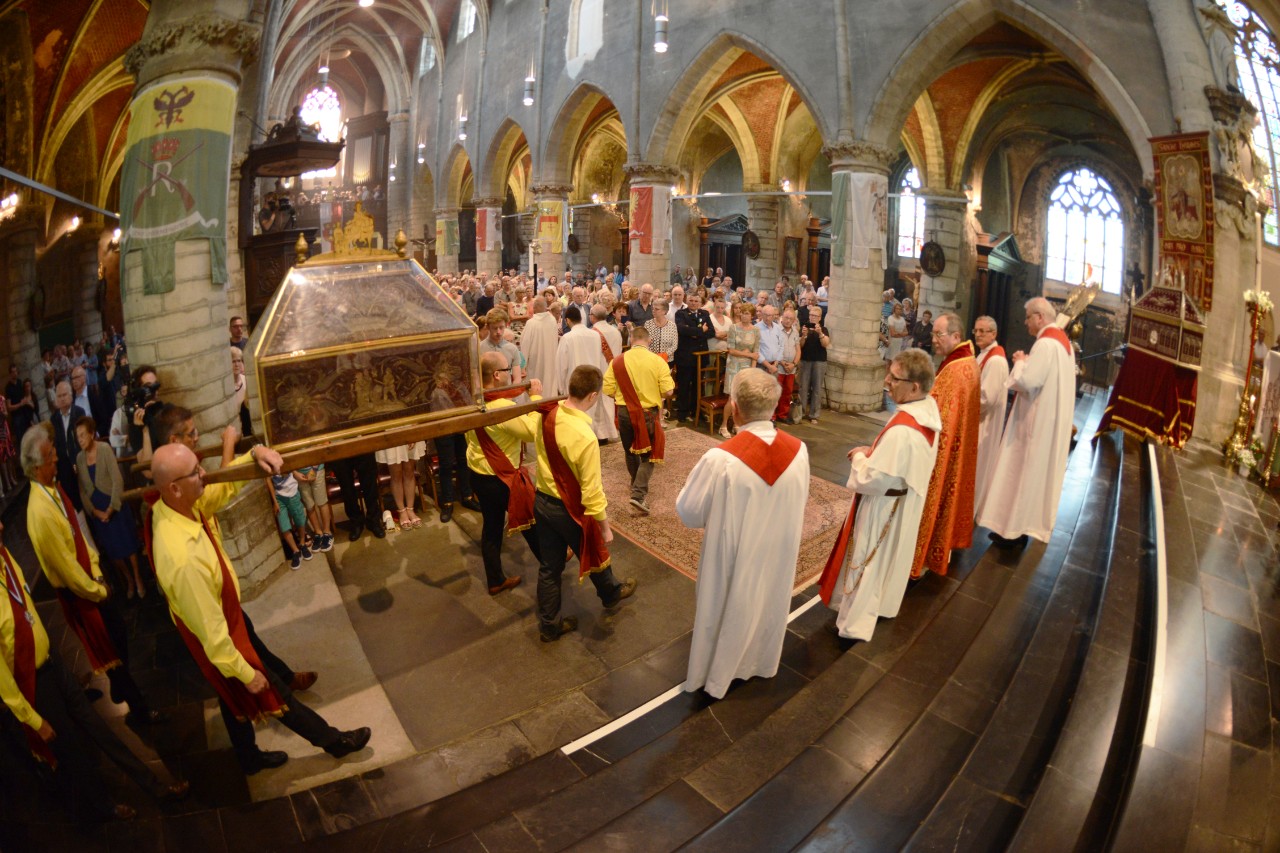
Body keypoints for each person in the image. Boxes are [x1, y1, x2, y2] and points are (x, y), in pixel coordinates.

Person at [150, 441, 370, 775]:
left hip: (224, 611)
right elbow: (212, 634)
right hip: (220, 630)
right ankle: (334, 742)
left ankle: (248, 757)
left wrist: (253, 454)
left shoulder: (177, 506)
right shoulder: (181, 558)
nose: (204, 474)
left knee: (231, 697)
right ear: (175, 488)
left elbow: (219, 489)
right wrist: (244, 672)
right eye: (196, 472)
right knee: (270, 692)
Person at [0, 519, 188, 821]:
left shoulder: (6, 560)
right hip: (33, 682)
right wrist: (33, 720)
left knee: (99, 728)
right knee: (73, 750)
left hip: (53, 663)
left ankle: (155, 787)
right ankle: (102, 806)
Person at [676, 369, 809, 698]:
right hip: (777, 551)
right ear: (775, 405)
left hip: (733, 556)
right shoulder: (799, 450)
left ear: (733, 408)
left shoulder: (720, 459)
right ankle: (761, 662)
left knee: (725, 608)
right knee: (768, 603)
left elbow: (688, 512)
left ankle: (717, 676)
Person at [21, 426, 164, 724]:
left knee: (118, 640)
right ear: (36, 466)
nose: (57, 458)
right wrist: (97, 591)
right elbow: (66, 568)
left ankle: (121, 688)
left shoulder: (53, 488)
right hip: (82, 594)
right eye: (50, 456)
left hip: (91, 581)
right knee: (112, 653)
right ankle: (139, 711)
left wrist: (97, 570)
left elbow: (76, 535)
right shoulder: (39, 512)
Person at [817, 349, 940, 642]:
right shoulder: (926, 411)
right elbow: (897, 460)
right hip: (902, 502)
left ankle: (852, 627)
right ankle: (880, 608)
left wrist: (861, 458)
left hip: (884, 506)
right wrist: (874, 453)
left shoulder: (904, 428)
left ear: (915, 387)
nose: (887, 381)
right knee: (887, 563)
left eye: (895, 378)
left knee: (867, 562)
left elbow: (871, 479)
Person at [532, 365, 637, 641]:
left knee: (549, 567)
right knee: (594, 549)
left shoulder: (548, 414)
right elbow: (591, 491)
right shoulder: (585, 436)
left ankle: (549, 625)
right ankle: (611, 593)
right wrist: (605, 527)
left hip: (542, 500)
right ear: (592, 396)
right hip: (568, 509)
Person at [975, 297, 1076, 545]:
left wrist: (1020, 363)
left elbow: (1027, 382)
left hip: (1033, 424)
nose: (1026, 323)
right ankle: (1015, 529)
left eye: (1029, 317)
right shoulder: (1063, 343)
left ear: (1040, 317)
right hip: (1048, 421)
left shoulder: (1046, 343)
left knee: (1019, 473)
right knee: (1030, 477)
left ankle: (1012, 532)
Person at [466, 351, 544, 595]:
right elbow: (533, 431)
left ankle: (495, 579)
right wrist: (536, 397)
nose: (513, 375)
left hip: (478, 472)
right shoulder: (501, 407)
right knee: (531, 519)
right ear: (497, 375)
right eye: (509, 370)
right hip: (501, 476)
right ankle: (553, 562)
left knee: (491, 527)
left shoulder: (473, 400)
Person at [910, 312, 980, 579]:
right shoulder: (967, 361)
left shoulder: (955, 370)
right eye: (933, 334)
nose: (934, 340)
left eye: (939, 334)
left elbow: (937, 416)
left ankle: (921, 556)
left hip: (943, 453)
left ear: (956, 336)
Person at [602, 324, 675, 515]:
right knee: (649, 455)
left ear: (631, 340)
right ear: (649, 340)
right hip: (648, 414)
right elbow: (668, 391)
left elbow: (608, 390)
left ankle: (635, 482)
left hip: (625, 413)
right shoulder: (658, 361)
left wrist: (626, 398)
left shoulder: (617, 362)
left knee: (629, 451)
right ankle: (638, 494)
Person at [74, 417, 146, 599]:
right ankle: (128, 579)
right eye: (78, 437)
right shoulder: (79, 458)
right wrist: (95, 512)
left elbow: (117, 480)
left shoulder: (104, 449)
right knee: (114, 550)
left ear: (91, 434)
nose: (80, 439)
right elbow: (82, 490)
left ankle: (138, 578)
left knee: (128, 545)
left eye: (83, 435)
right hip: (98, 512)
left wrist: (112, 508)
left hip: (115, 506)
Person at [556, 305, 620, 442]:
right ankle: (593, 438)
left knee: (576, 416)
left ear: (567, 320)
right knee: (591, 412)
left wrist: (561, 389)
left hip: (574, 381)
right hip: (592, 379)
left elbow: (561, 366)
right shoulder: (595, 335)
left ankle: (579, 442)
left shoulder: (567, 338)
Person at [973, 316, 1010, 512]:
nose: (978, 334)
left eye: (983, 331)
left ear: (994, 334)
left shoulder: (995, 360)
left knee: (978, 470)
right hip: (977, 422)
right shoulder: (983, 355)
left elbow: (986, 398)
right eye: (976, 331)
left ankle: (972, 512)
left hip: (983, 424)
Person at [723, 304, 761, 437]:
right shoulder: (733, 328)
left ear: (752, 315)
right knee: (732, 397)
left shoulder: (756, 330)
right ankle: (723, 426)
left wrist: (753, 370)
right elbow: (731, 350)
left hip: (747, 367)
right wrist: (748, 355)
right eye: (743, 313)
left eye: (747, 313)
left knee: (742, 399)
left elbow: (756, 352)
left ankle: (737, 424)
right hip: (734, 366)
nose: (744, 315)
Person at [674, 292, 713, 422]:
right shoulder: (681, 314)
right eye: (691, 300)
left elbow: (711, 331)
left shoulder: (705, 314)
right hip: (685, 356)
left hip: (700, 356)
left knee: (698, 386)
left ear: (701, 303)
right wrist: (701, 331)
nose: (693, 303)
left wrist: (694, 333)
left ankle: (696, 411)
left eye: (696, 301)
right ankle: (682, 413)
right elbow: (681, 330)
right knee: (684, 385)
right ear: (687, 300)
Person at [49, 381, 87, 513]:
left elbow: (84, 439)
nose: (62, 398)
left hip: (80, 461)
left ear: (71, 396)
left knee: (86, 498)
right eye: (59, 396)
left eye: (65, 394)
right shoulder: (53, 419)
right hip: (64, 467)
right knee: (73, 504)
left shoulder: (79, 413)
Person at [269, 469, 312, 568]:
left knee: (300, 520)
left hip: (293, 493)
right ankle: (295, 550)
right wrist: (275, 502)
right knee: (284, 525)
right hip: (279, 497)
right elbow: (268, 481)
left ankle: (302, 543)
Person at [520, 297, 560, 393]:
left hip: (535, 361)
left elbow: (525, 344)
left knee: (535, 387)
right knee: (549, 386)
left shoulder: (531, 323)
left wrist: (522, 366)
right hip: (550, 359)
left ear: (536, 307)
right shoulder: (552, 320)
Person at [797, 304, 830, 424]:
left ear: (820, 318)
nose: (812, 318)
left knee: (816, 389)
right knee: (803, 388)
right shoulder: (803, 327)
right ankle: (800, 413)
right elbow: (800, 345)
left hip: (819, 361)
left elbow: (826, 344)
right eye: (811, 315)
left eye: (815, 316)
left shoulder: (824, 329)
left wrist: (820, 333)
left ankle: (814, 415)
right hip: (805, 360)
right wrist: (804, 335)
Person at [295, 464, 334, 553]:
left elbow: (318, 452)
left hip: (316, 470)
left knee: (322, 502)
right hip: (300, 474)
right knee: (309, 505)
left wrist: (314, 470)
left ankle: (327, 532)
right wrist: (295, 473)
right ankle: (318, 533)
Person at [775, 307, 800, 422]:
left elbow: (798, 350)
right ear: (782, 317)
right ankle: (772, 416)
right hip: (779, 366)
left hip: (791, 368)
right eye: (786, 317)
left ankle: (783, 415)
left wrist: (794, 364)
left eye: (791, 318)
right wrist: (783, 362)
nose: (788, 320)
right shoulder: (776, 330)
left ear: (794, 320)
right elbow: (774, 349)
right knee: (776, 392)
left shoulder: (795, 332)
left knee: (787, 391)